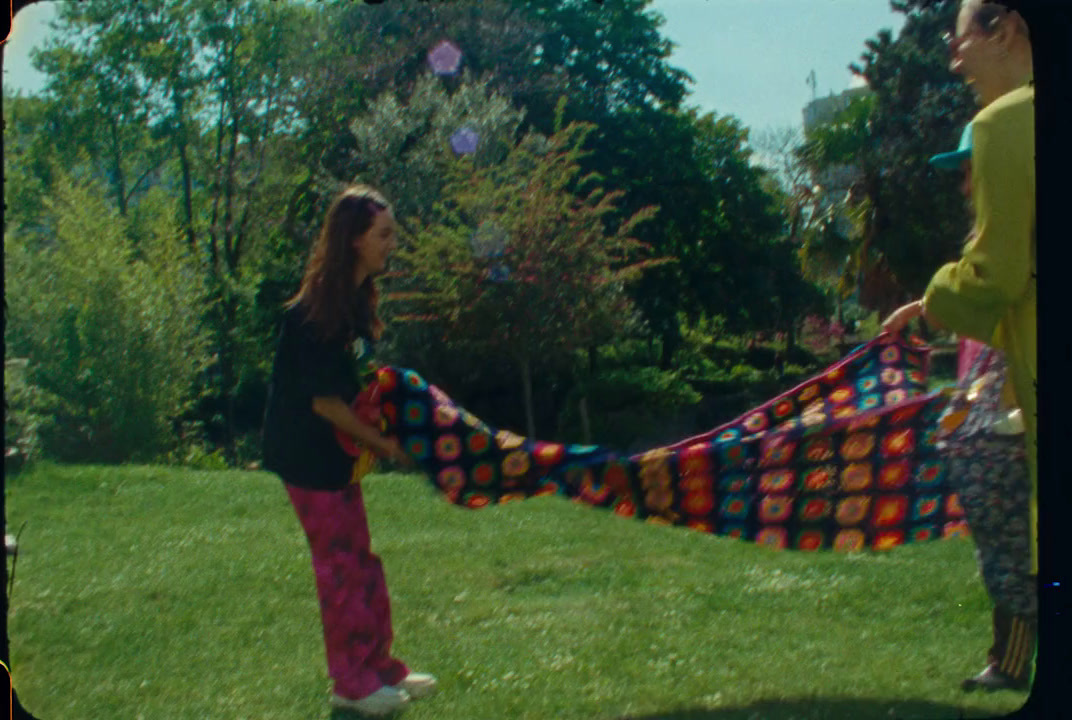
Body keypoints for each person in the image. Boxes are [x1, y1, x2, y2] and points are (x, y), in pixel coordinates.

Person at [882, 0, 1036, 691]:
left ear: (1005, 32)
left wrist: (936, 302)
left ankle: (1015, 659)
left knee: (1014, 534)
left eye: (961, 40)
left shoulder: (1006, 125)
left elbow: (997, 275)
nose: (955, 60)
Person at [262, 185, 436, 716]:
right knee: (339, 567)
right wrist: (386, 446)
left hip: (336, 460)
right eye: (383, 234)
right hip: (307, 458)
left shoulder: (354, 303)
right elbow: (325, 405)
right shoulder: (314, 313)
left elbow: (354, 390)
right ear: (354, 239)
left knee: (362, 560)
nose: (392, 244)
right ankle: (350, 685)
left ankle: (379, 668)